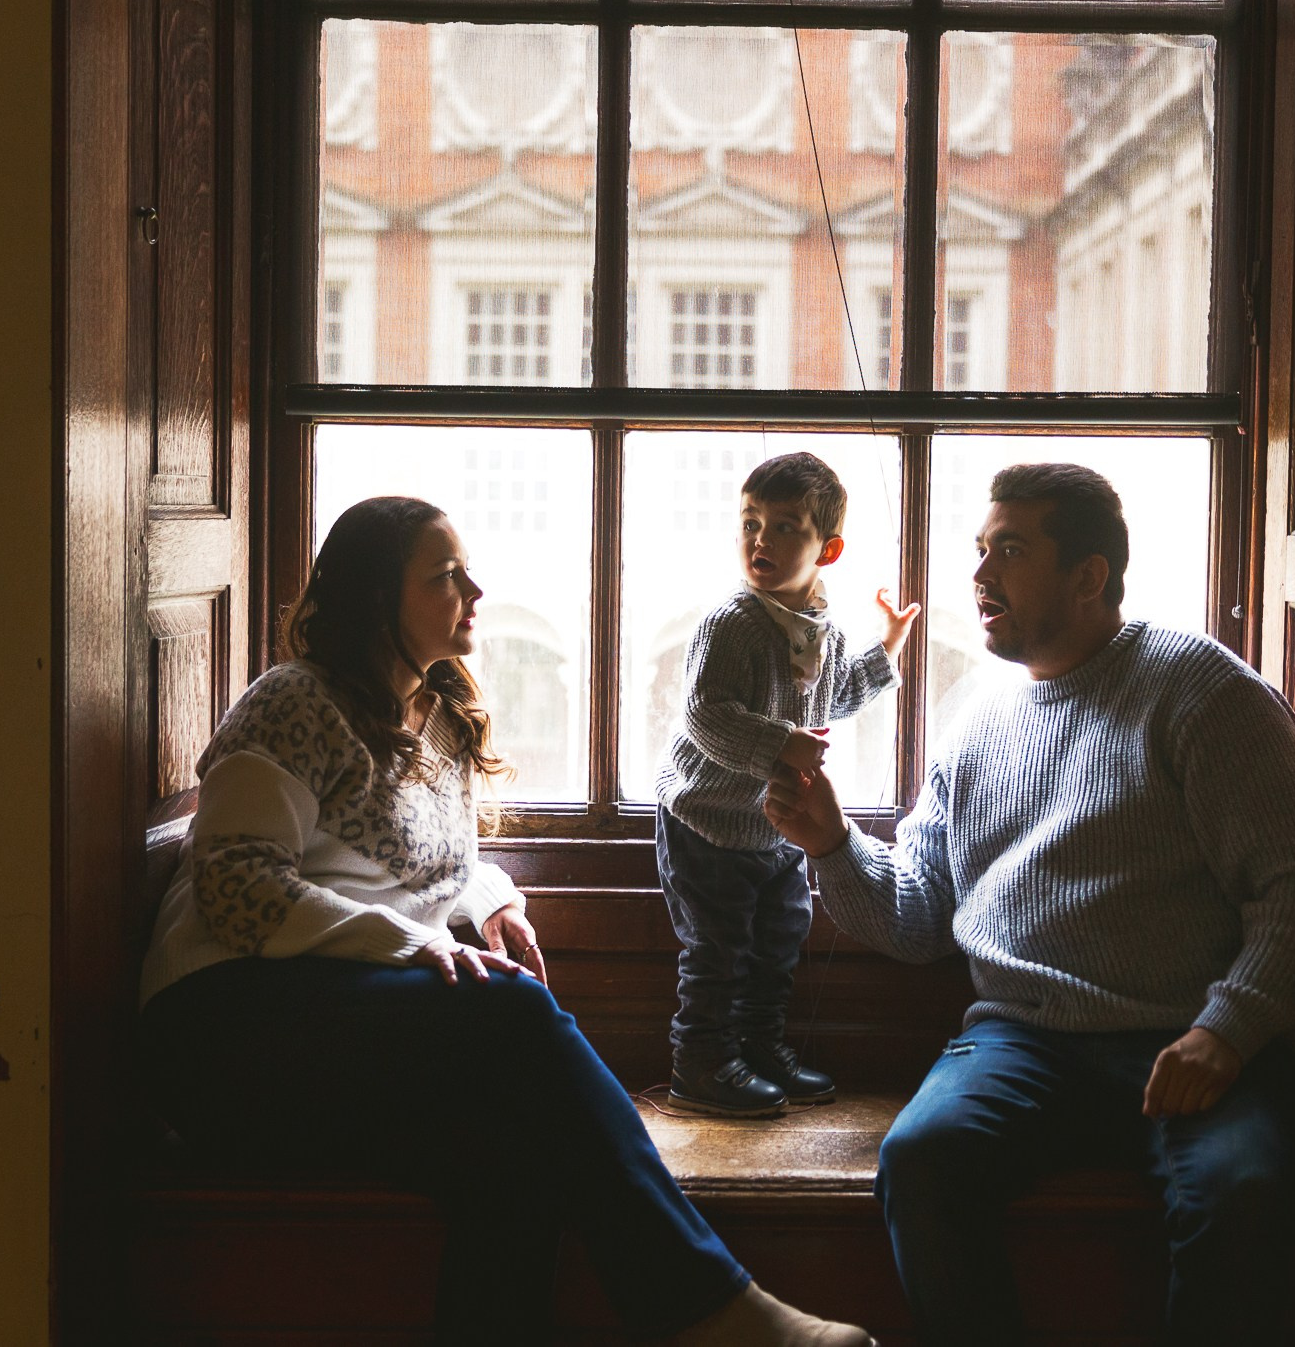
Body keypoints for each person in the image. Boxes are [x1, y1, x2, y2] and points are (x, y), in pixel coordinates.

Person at [138, 495, 873, 1347]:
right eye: (447, 575)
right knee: (512, 1008)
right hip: (223, 1028)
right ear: (380, 597)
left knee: (518, 1159)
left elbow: (423, 861)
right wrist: (412, 943)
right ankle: (714, 1309)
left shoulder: (438, 715)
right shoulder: (291, 703)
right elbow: (236, 887)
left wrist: (491, 903)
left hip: (337, 1036)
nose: (475, 589)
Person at [763, 463, 1295, 1345]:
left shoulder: (1205, 693)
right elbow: (919, 916)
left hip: (1193, 1035)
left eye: (1011, 550)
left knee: (1240, 1192)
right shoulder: (975, 718)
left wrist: (1226, 1031)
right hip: (1022, 1040)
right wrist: (832, 845)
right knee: (920, 1161)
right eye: (981, 550)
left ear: (1089, 576)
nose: (980, 574)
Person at [655, 452, 920, 1116]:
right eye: (750, 522)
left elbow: (831, 699)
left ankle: (760, 1048)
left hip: (775, 825)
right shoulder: (733, 624)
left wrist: (886, 648)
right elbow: (703, 714)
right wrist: (779, 744)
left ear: (826, 548)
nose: (760, 540)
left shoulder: (819, 629)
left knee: (779, 939)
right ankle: (701, 1063)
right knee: (716, 947)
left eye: (783, 527)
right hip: (708, 819)